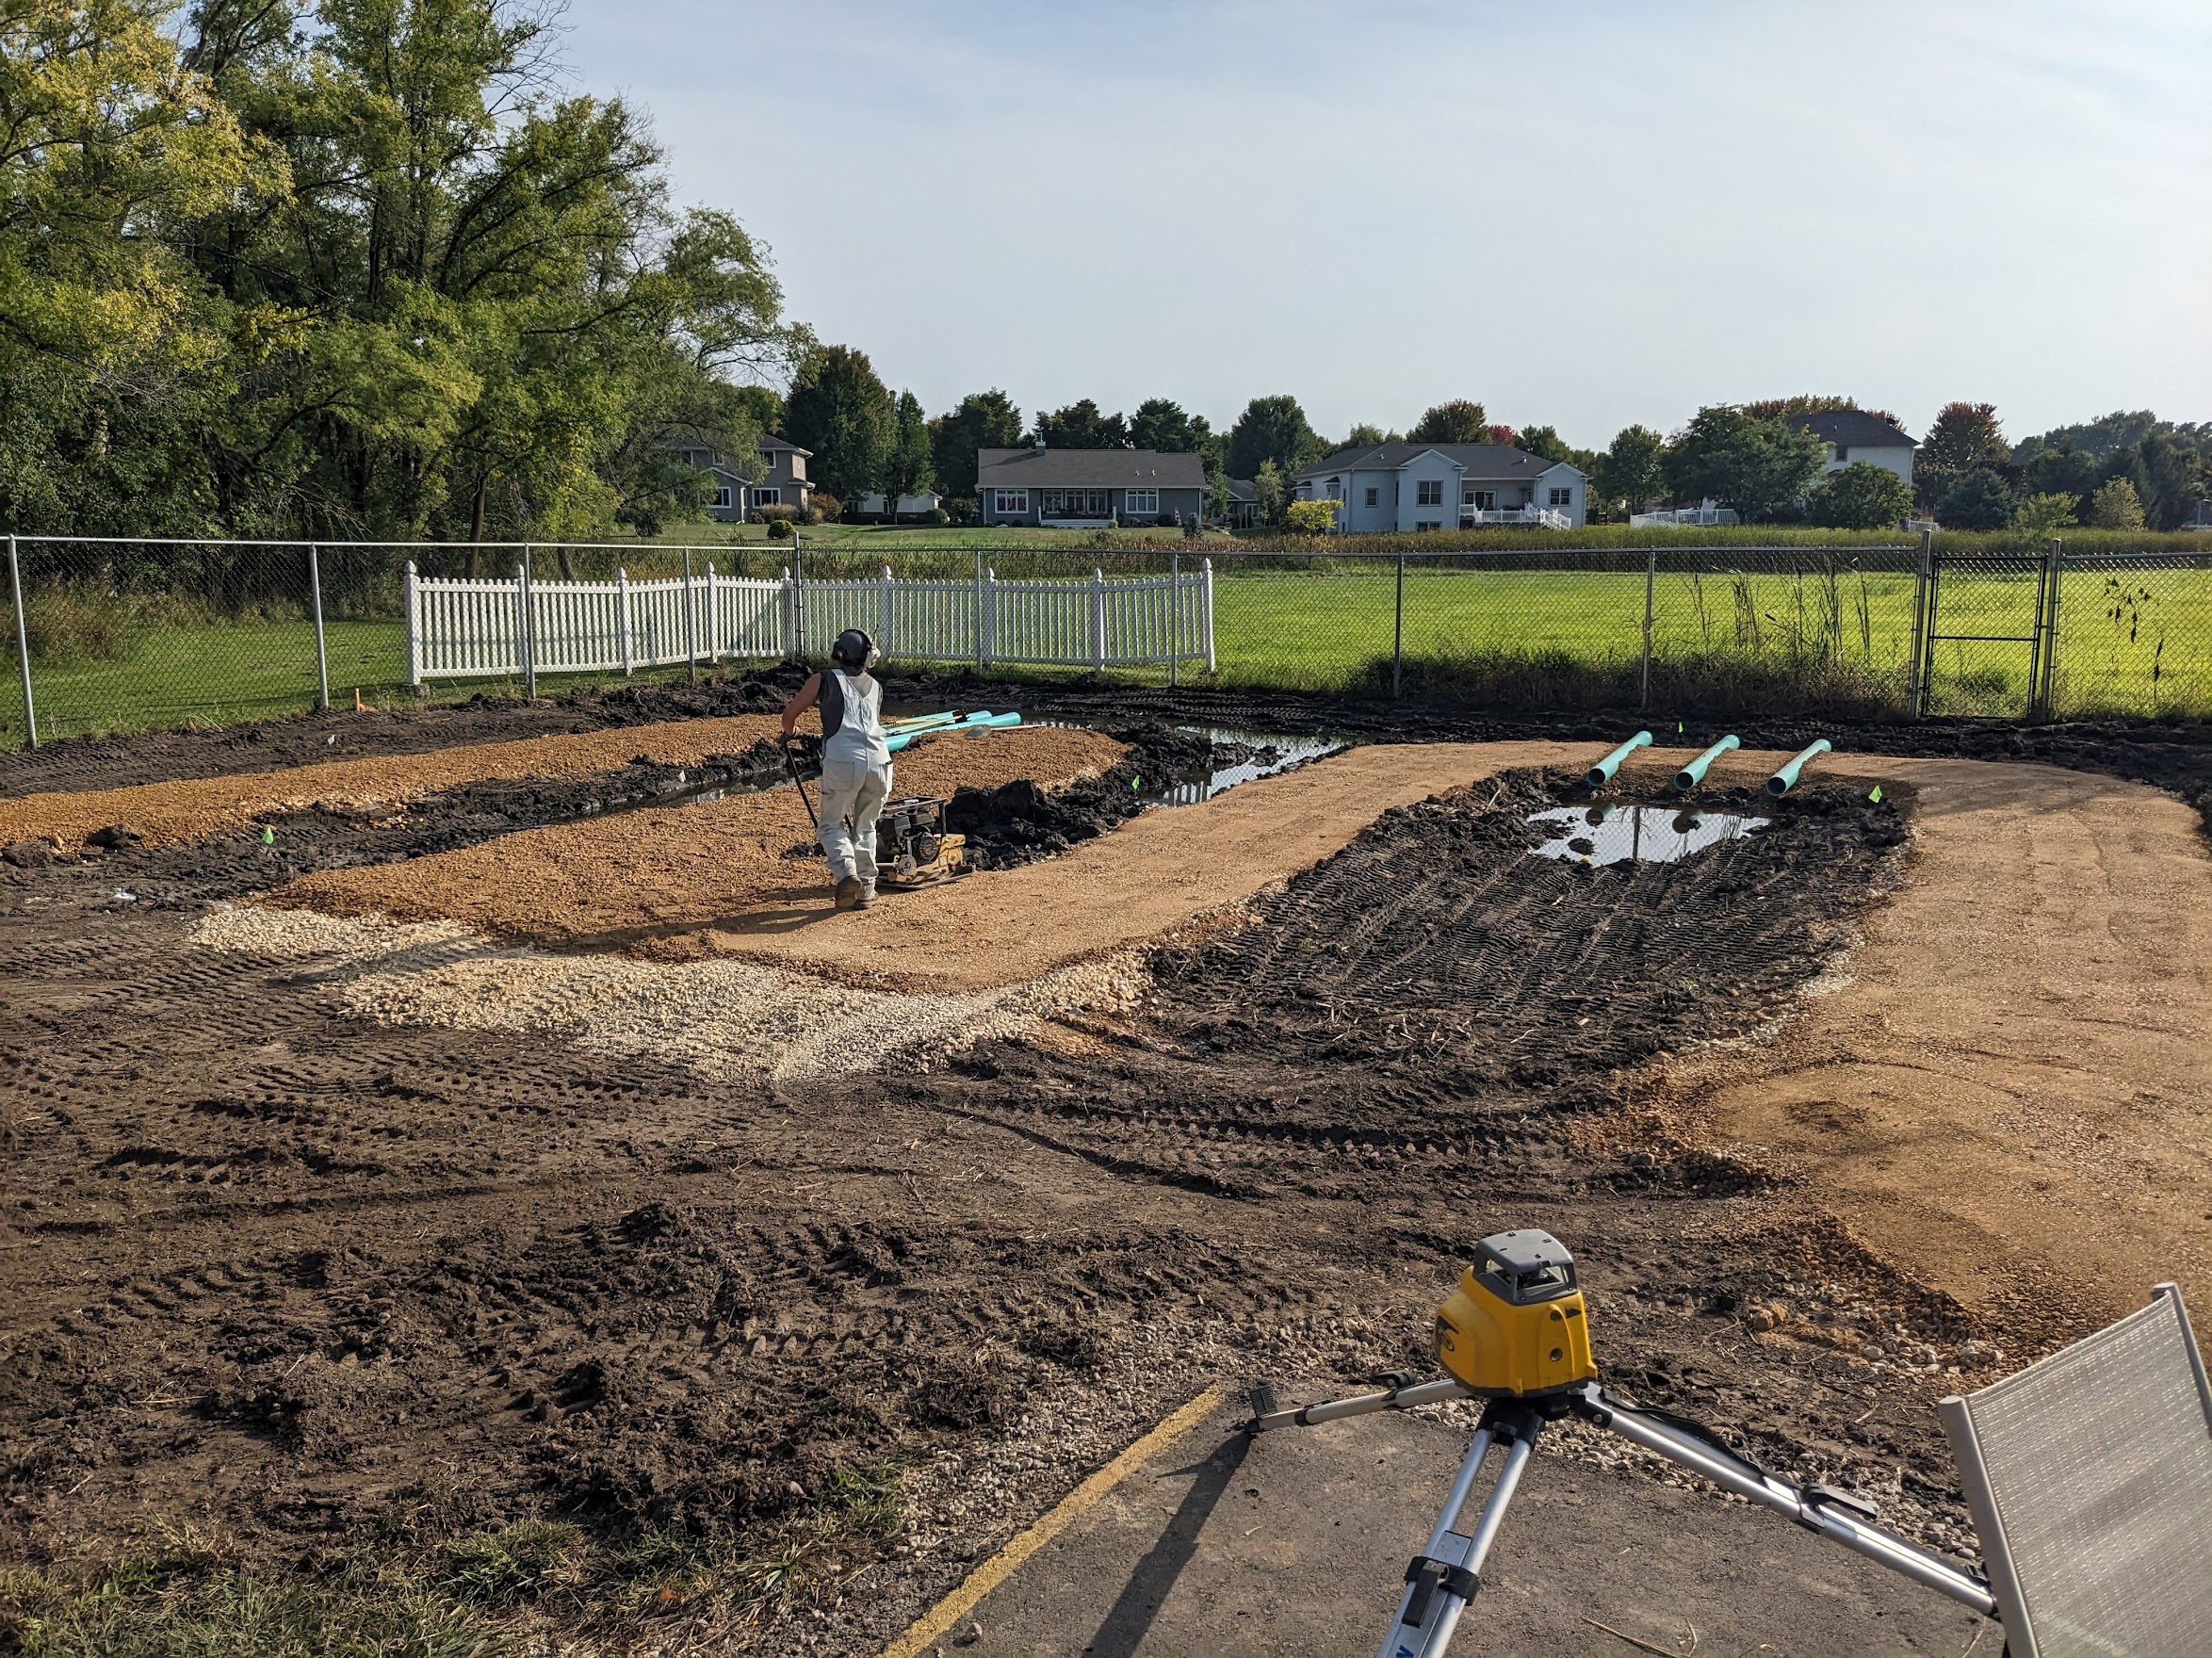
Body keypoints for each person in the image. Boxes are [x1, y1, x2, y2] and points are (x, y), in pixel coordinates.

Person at [781, 629, 892, 910]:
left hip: (844, 761)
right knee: (865, 825)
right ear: (865, 657)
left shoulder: (824, 679)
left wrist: (790, 733)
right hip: (880, 762)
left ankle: (846, 874)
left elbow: (789, 716)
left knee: (830, 824)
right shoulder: (877, 686)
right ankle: (867, 890)